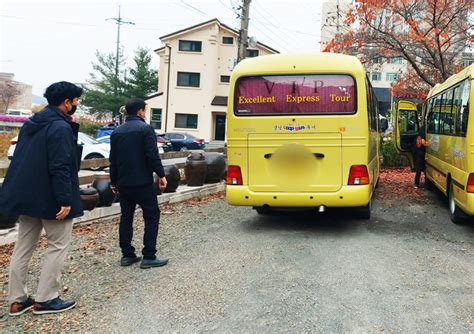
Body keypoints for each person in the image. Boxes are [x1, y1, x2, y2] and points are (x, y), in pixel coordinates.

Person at [0, 82, 83, 316]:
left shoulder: (32, 124)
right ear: (66, 102)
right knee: (57, 246)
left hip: (27, 197)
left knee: (23, 247)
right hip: (52, 198)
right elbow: (61, 166)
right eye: (75, 100)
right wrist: (65, 199)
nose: (76, 104)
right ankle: (46, 299)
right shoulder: (60, 127)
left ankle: (17, 300)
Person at [109, 98, 169, 269]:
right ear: (140, 111)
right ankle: (149, 255)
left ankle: (127, 254)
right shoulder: (146, 129)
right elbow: (152, 155)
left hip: (123, 183)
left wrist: (114, 181)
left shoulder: (117, 132)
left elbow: (114, 160)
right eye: (144, 110)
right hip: (142, 182)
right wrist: (161, 175)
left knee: (126, 217)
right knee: (151, 215)